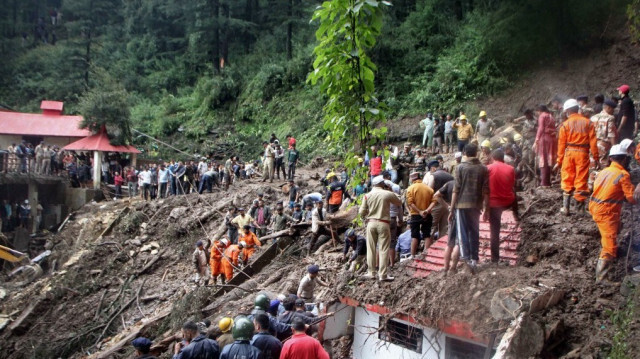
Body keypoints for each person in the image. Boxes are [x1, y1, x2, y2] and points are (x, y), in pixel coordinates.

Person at [589, 145, 639, 282]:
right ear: (624, 159)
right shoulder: (623, 174)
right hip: (606, 211)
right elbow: (631, 198)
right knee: (609, 245)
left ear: (611, 158)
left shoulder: (605, 171)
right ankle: (602, 279)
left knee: (616, 229)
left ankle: (612, 254)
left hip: (596, 206)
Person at [553, 99, 599, 215]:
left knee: (567, 178)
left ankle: (566, 208)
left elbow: (561, 145)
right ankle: (580, 209)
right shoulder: (588, 123)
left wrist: (559, 161)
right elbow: (593, 143)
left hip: (569, 153)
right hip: (583, 153)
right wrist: (596, 158)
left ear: (567, 110)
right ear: (577, 108)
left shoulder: (565, 124)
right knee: (581, 180)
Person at [449, 144, 489, 274]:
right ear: (477, 152)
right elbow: (486, 191)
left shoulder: (460, 167)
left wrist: (451, 209)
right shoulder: (483, 168)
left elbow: (456, 189)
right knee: (474, 232)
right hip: (476, 205)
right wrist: (486, 208)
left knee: (463, 233)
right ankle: (474, 259)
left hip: (461, 206)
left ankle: (466, 259)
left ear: (465, 153)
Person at [359, 175, 403, 281]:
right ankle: (382, 275)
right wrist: (391, 190)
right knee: (383, 249)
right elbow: (399, 201)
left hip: (371, 223)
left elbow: (361, 212)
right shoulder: (387, 194)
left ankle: (371, 272)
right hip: (384, 223)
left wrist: (366, 216)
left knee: (371, 248)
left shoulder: (367, 195)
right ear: (382, 184)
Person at [487, 149, 517, 263]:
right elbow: (512, 184)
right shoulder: (511, 169)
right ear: (503, 158)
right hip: (507, 202)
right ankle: (516, 214)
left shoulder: (488, 168)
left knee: (494, 231)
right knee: (514, 193)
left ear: (493, 158)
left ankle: (495, 258)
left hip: (493, 204)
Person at [423, 161, 453, 242]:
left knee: (431, 228)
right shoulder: (450, 176)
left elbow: (429, 191)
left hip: (436, 204)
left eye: (430, 170)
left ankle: (428, 250)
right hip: (448, 205)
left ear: (433, 168)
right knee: (444, 228)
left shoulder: (433, 176)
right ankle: (441, 249)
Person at [406, 172, 434, 258]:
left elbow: (410, 203)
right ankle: (427, 254)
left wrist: (419, 211)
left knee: (415, 235)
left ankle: (413, 255)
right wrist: (427, 210)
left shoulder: (410, 188)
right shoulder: (429, 189)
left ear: (412, 179)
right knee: (427, 234)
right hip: (427, 214)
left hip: (415, 214)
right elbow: (434, 201)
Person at [533, 105, 557, 187]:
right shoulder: (551, 116)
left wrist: (536, 140)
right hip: (552, 139)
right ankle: (547, 181)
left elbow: (541, 128)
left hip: (544, 139)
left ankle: (544, 182)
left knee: (543, 160)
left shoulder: (542, 116)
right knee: (548, 160)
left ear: (539, 110)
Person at [590, 99, 618, 169]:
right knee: (603, 166)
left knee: (593, 165)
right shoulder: (610, 118)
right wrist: (615, 148)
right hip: (603, 145)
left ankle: (592, 179)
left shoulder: (593, 117)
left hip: (592, 144)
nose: (613, 111)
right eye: (612, 109)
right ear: (608, 108)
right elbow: (611, 134)